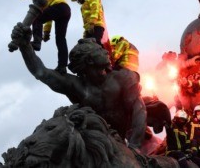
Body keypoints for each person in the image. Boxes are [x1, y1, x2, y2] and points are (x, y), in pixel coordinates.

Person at [10, 22, 147, 149]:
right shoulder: (77, 86)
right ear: (89, 60)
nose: (106, 51)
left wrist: (134, 147)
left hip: (129, 141)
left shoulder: (123, 77)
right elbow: (41, 72)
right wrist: (25, 45)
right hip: (99, 144)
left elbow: (139, 110)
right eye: (99, 50)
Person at [16, 0, 71, 74]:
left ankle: (37, 43)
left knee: (36, 18)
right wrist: (46, 32)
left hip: (59, 6)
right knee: (60, 39)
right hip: (65, 10)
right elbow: (47, 16)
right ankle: (62, 66)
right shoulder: (42, 1)